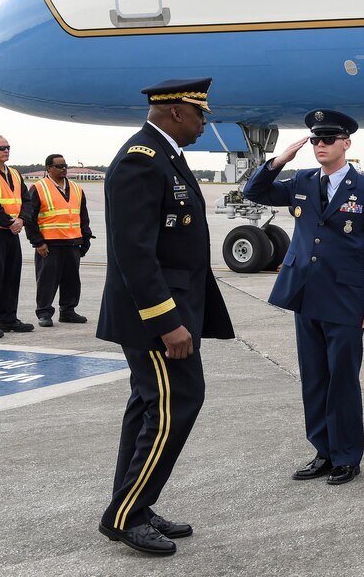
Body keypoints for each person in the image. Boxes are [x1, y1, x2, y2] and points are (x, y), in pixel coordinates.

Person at [96, 78, 235, 557]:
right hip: (155, 319)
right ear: (176, 113)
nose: (204, 122)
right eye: (200, 115)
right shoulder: (142, 159)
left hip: (170, 311)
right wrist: (167, 322)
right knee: (178, 401)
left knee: (148, 408)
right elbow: (135, 255)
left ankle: (133, 502)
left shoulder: (165, 154)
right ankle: (126, 515)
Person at [243, 109, 364, 486]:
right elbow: (254, 191)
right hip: (305, 294)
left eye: (328, 139)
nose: (320, 146)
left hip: (346, 299)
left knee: (342, 380)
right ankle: (323, 452)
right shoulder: (301, 181)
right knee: (313, 379)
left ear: (346, 143)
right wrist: (279, 160)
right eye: (315, 139)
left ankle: (347, 456)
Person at [24, 154, 93, 327]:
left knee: (71, 279)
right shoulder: (39, 188)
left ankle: (68, 311)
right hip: (50, 244)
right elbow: (30, 218)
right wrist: (37, 242)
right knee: (47, 280)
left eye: (65, 166)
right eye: (59, 166)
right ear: (49, 168)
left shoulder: (76, 188)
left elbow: (82, 216)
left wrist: (85, 238)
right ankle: (44, 313)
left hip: (72, 242)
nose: (64, 169)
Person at [0, 135, 35, 338]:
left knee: (12, 275)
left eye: (8, 147)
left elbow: (26, 200)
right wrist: (9, 222)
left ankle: (8, 318)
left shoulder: (14, 173)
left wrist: (22, 220)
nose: (6, 151)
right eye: (1, 147)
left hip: (11, 232)